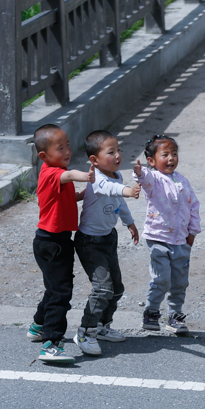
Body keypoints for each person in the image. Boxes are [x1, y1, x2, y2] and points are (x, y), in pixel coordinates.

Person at [72, 131, 140, 356]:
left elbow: (118, 201)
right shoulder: (97, 178)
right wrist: (129, 190)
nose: (118, 155)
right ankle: (85, 332)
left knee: (116, 289)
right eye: (111, 152)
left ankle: (102, 326)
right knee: (102, 288)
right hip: (89, 242)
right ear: (94, 160)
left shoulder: (117, 175)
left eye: (118, 149)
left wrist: (129, 222)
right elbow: (111, 190)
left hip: (108, 237)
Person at [29, 124, 90, 364]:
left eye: (68, 146)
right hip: (51, 243)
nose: (67, 151)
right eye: (60, 148)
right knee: (61, 293)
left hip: (55, 241)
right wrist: (89, 175)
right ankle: (50, 343)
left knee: (56, 288)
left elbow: (63, 194)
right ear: (44, 155)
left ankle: (38, 326)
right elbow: (70, 175)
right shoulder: (52, 173)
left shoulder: (55, 172)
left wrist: (80, 195)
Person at [133, 134, 200, 335]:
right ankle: (152, 312)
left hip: (181, 240)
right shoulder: (154, 179)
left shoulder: (183, 181)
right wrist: (139, 172)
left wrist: (193, 231)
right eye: (165, 155)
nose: (171, 158)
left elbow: (193, 206)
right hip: (159, 238)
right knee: (161, 278)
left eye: (174, 154)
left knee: (180, 281)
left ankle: (175, 316)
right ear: (152, 161)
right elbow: (144, 179)